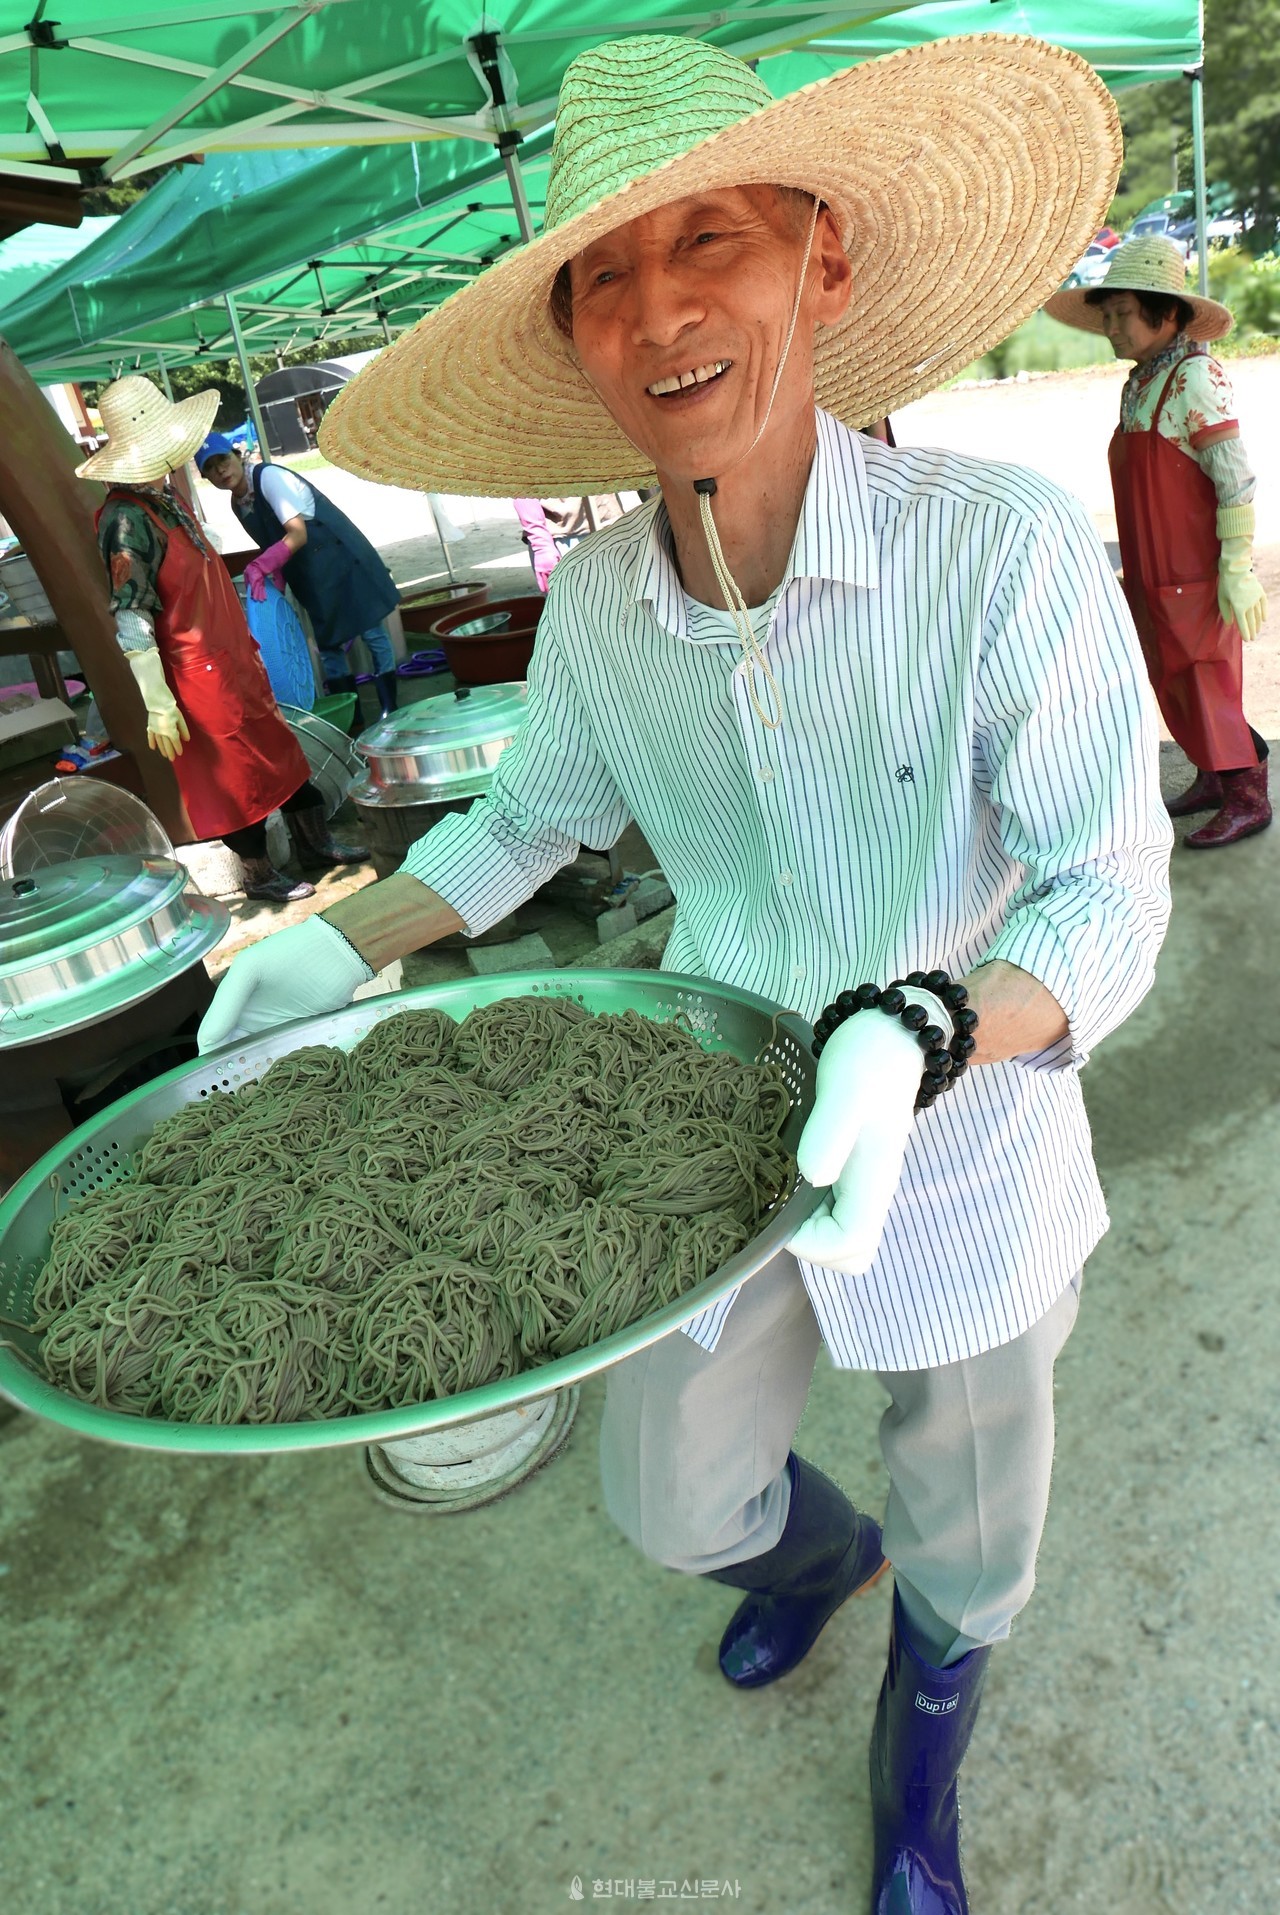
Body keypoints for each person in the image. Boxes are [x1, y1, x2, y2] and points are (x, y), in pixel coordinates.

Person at [197, 34, 1171, 1913]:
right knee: (669, 1500)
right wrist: (329, 942)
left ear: (823, 264)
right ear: (576, 342)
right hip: (701, 1146)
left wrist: (925, 1025)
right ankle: (813, 1565)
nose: (656, 311)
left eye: (704, 238)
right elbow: (525, 822)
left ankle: (927, 1741)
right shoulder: (601, 612)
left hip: (959, 1146)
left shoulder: (1007, 559)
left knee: (978, 1524)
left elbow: (1107, 895)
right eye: (602, 277)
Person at [83, 378, 366, 904]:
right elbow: (132, 609)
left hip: (234, 659)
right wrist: (156, 699)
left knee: (282, 754)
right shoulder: (124, 520)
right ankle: (257, 874)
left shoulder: (166, 500)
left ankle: (316, 842)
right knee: (237, 780)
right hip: (196, 674)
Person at [1047, 236, 1271, 847]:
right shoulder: (1141, 384)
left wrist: (1236, 567)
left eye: (1122, 313)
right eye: (1108, 314)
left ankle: (1248, 792)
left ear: (1165, 313)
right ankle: (1211, 776)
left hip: (1197, 576)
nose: (1111, 328)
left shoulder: (1197, 378)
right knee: (1170, 676)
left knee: (1206, 679)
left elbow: (1233, 478)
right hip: (1151, 574)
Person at [195, 434, 404, 721]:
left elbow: (297, 532)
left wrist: (260, 566)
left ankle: (390, 710)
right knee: (329, 646)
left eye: (224, 460)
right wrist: (275, 586)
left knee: (372, 633)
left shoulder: (269, 478)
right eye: (211, 467)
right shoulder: (239, 503)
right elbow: (272, 543)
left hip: (340, 555)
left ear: (237, 456)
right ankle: (351, 719)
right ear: (205, 477)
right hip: (310, 573)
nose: (221, 470)